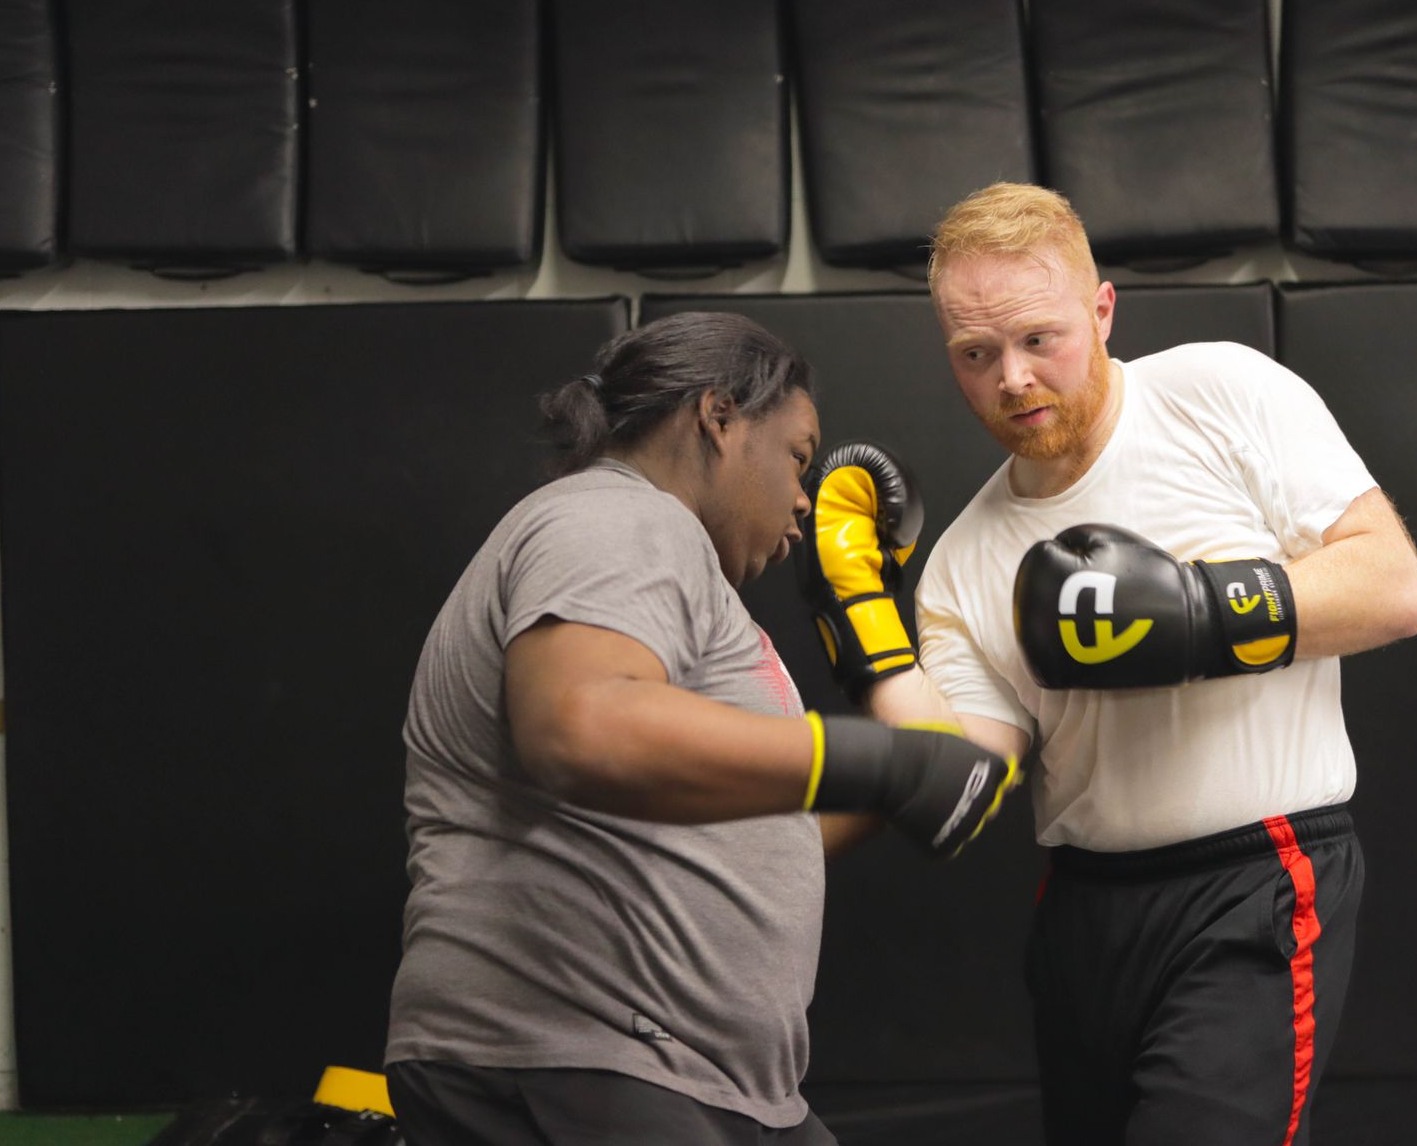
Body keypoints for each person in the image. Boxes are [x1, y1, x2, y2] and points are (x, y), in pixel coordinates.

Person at [795, 185, 1417, 1145]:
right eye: (976, 354)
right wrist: (868, 637)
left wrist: (1194, 612)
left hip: (1257, 880)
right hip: (1085, 916)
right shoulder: (965, 560)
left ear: (1100, 311)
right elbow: (961, 779)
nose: (1011, 378)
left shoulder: (1221, 393)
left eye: (1038, 338)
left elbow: (1392, 588)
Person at [383, 312, 1019, 1146]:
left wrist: (933, 754)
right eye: (798, 456)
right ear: (718, 417)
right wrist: (882, 761)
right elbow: (583, 727)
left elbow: (762, 833)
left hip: (684, 1077)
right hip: (584, 1054)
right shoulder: (618, 520)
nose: (803, 498)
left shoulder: (675, 580)